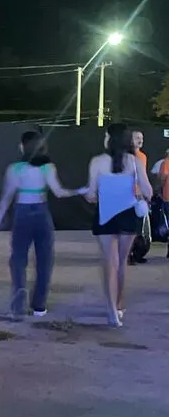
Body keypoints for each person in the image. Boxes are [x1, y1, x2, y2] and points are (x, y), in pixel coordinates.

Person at [0, 130, 85, 318]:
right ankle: (39, 306)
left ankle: (18, 305)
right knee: (44, 260)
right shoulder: (48, 168)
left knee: (18, 259)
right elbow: (59, 192)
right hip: (41, 213)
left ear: (22, 147)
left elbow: (6, 198)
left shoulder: (14, 169)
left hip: (22, 213)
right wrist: (80, 190)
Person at [86, 123, 152, 327]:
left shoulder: (97, 162)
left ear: (109, 138)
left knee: (110, 263)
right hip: (128, 215)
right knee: (122, 262)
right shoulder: (134, 161)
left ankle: (111, 310)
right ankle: (119, 304)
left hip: (105, 215)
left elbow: (91, 194)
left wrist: (93, 195)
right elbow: (148, 191)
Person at [128, 129, 150, 264]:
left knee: (139, 227)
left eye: (141, 138)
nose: (140, 140)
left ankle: (136, 253)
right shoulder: (126, 156)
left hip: (139, 196)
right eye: (137, 138)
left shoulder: (142, 156)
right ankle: (128, 255)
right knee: (129, 227)